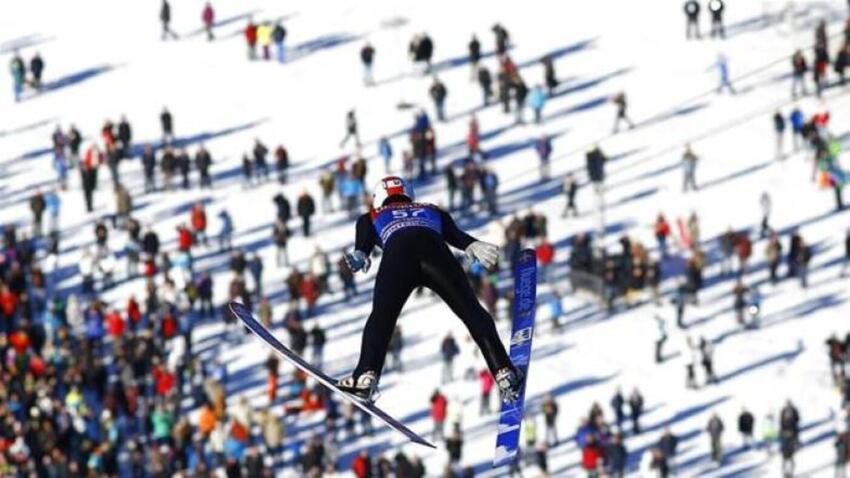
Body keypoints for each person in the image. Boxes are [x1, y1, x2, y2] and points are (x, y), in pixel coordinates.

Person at [337, 176, 520, 402]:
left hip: (398, 258)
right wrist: (471, 243)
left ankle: (366, 375)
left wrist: (360, 253)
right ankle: (504, 371)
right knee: (471, 312)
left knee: (382, 318)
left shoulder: (372, 216)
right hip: (437, 255)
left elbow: (364, 238)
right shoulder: (431, 209)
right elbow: (455, 234)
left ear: (379, 199)